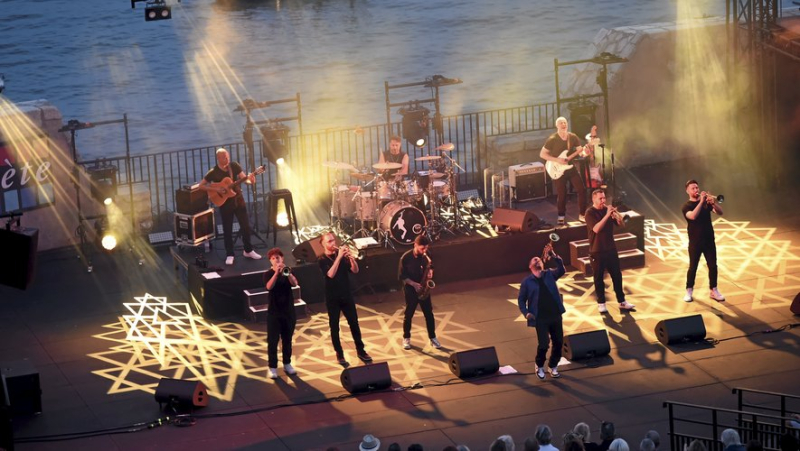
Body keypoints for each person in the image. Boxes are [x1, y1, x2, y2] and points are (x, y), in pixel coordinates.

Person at [199, 148, 262, 265]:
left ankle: (248, 250)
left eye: (227, 156)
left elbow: (245, 178)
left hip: (238, 198)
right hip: (225, 203)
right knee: (227, 229)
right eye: (224, 157)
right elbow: (201, 186)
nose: (227, 159)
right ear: (218, 158)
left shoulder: (234, 166)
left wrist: (251, 180)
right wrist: (216, 188)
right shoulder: (213, 172)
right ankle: (230, 254)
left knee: (245, 225)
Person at [318, 232, 372, 365]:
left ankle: (361, 350)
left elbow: (355, 270)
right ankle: (339, 354)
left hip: (346, 294)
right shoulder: (321, 259)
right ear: (323, 244)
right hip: (332, 297)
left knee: (354, 324)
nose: (332, 243)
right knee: (334, 326)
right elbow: (330, 274)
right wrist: (339, 257)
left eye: (333, 240)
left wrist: (352, 259)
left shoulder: (341, 256)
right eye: (329, 242)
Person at [518, 243, 567, 380]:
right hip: (540, 318)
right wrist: (526, 312)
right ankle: (539, 365)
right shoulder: (527, 282)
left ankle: (553, 365)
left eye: (538, 259)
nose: (537, 260)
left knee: (558, 342)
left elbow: (562, 270)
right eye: (534, 260)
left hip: (555, 314)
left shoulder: (549, 274)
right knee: (544, 344)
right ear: (530, 267)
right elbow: (521, 300)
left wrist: (553, 255)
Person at [585, 189, 635, 314]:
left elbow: (621, 224)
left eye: (604, 198)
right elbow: (596, 229)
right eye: (600, 199)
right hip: (597, 251)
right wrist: (607, 215)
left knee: (617, 276)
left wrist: (617, 216)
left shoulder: (607, 210)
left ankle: (622, 301)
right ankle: (601, 303)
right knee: (598, 278)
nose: (603, 201)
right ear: (593, 199)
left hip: (611, 249)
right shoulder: (589, 213)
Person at [540, 116, 588, 226]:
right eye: (561, 123)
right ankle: (561, 216)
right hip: (558, 168)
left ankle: (582, 214)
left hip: (570, 167)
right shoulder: (552, 139)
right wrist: (557, 160)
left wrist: (586, 152)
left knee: (581, 189)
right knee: (562, 194)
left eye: (565, 122)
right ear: (557, 125)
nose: (563, 124)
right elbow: (542, 154)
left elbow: (580, 152)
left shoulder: (573, 137)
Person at [682, 180, 725, 302]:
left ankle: (713, 290)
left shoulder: (707, 203)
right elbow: (693, 216)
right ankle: (689, 290)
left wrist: (713, 203)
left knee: (713, 266)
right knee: (693, 267)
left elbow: (720, 212)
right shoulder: (686, 206)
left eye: (697, 187)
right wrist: (701, 202)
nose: (696, 190)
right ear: (687, 191)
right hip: (695, 242)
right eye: (693, 188)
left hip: (709, 240)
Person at [398, 235, 441, 350]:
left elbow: (431, 265)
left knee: (429, 314)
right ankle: (406, 338)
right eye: (422, 248)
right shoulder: (405, 258)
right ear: (415, 245)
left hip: (423, 288)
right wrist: (413, 284)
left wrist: (430, 271)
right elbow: (402, 276)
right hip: (411, 289)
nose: (424, 251)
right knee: (408, 315)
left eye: (426, 248)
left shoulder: (427, 255)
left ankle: (432, 337)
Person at [263, 248, 298, 379]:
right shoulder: (267, 274)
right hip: (274, 313)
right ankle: (272, 367)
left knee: (287, 339)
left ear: (282, 259)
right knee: (273, 341)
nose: (276, 260)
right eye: (273, 258)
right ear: (270, 261)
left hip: (288, 311)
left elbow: (294, 284)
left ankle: (287, 364)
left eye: (278, 257)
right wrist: (276, 274)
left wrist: (287, 273)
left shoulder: (288, 271)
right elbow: (269, 287)